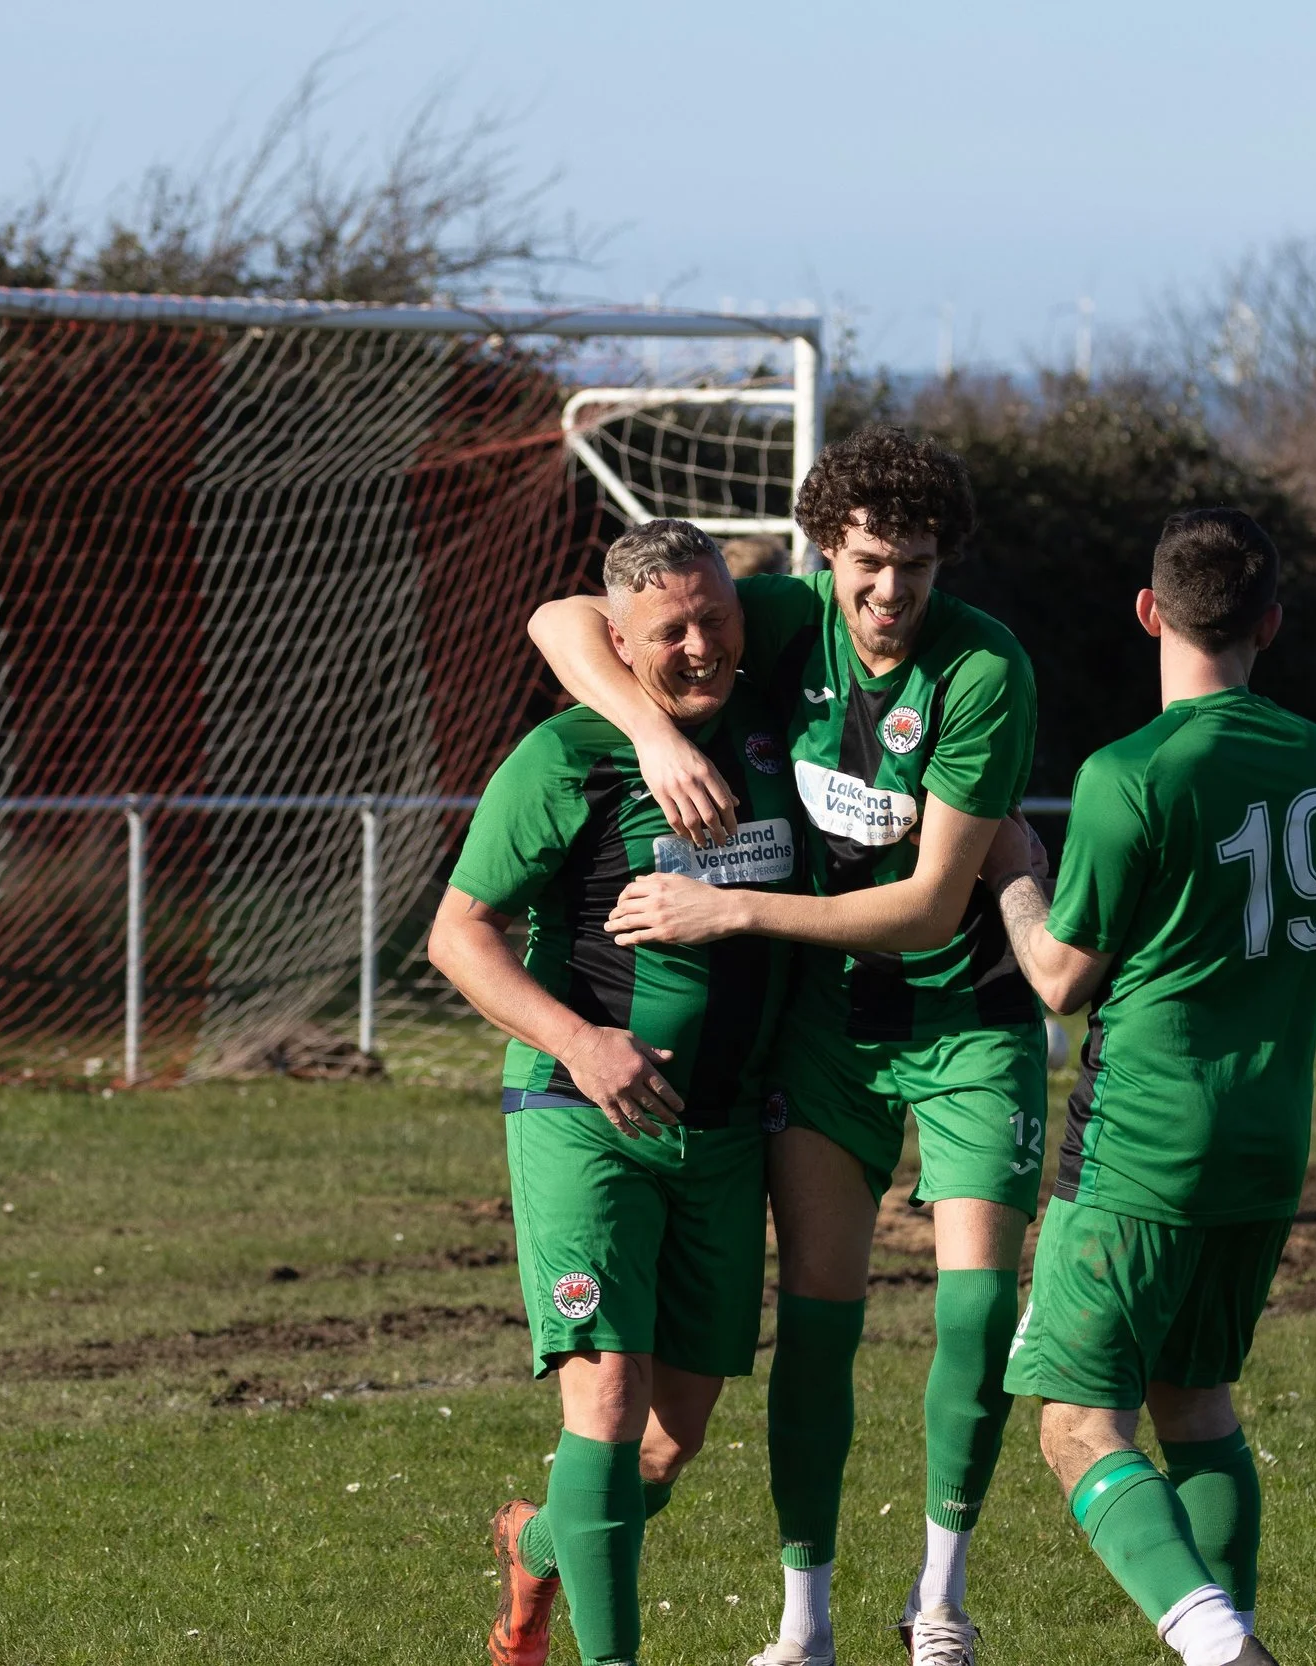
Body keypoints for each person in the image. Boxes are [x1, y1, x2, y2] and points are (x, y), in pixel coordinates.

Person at [529, 426, 1041, 1666]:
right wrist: (649, 734)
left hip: (965, 1013)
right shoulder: (777, 615)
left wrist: (735, 907)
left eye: (913, 564)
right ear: (826, 552)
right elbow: (561, 619)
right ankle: (801, 1623)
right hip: (828, 1030)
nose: (888, 590)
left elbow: (925, 908)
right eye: (867, 561)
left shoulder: (983, 671)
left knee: (973, 1312)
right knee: (819, 1323)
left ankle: (939, 1602)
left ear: (941, 562)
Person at [429, 519, 806, 1666]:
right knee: (600, 1408)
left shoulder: (778, 718)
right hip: (578, 1117)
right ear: (620, 642)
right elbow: (458, 935)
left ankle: (536, 1542)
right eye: (670, 632)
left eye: (716, 620)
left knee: (667, 1442)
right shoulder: (564, 757)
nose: (699, 646)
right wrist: (583, 1043)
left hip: (728, 1132)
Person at [987, 509, 1316, 1666]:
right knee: (1195, 1407)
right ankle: (1223, 1639)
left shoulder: (1128, 772)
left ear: (1148, 612)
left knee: (1078, 1425)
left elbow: (1058, 978)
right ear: (1270, 625)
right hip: (1268, 1136)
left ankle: (1215, 1646)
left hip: (1143, 1140)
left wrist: (1008, 869)